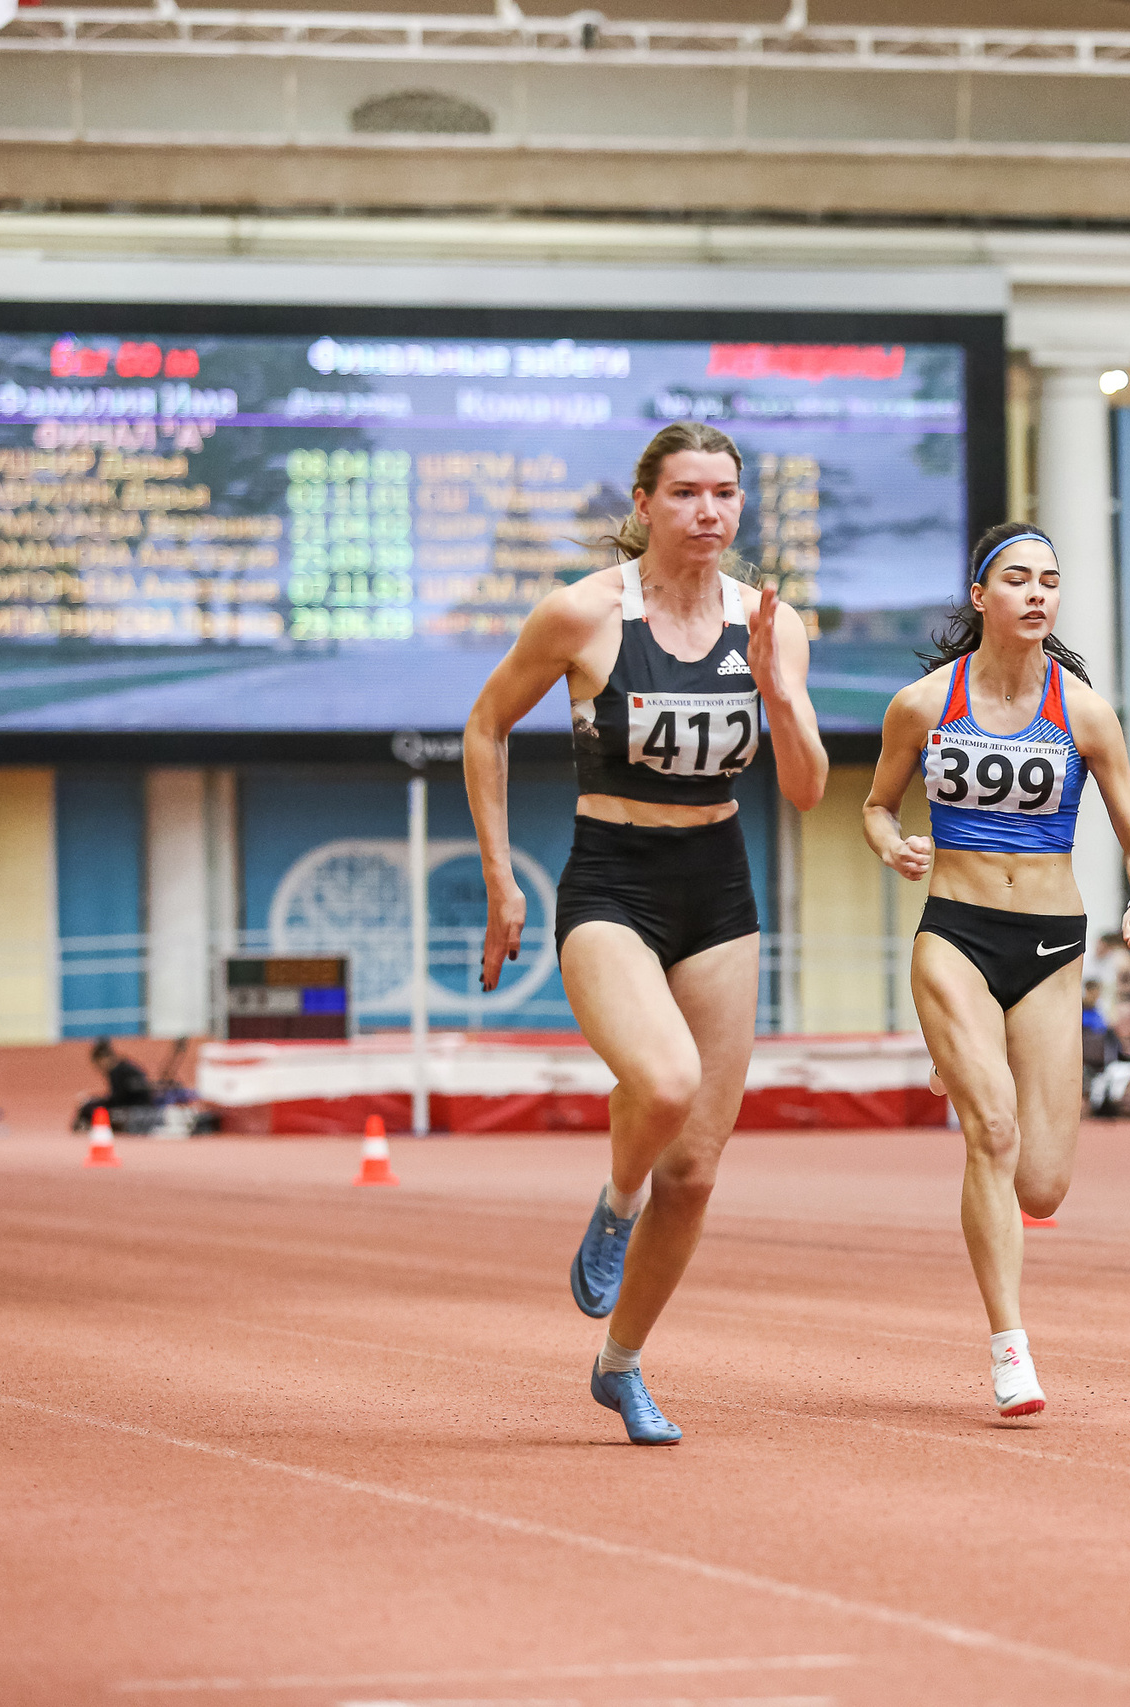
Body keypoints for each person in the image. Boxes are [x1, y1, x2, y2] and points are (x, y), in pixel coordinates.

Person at [465, 421, 827, 1445]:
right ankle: (615, 1201)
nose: (707, 513)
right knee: (663, 1085)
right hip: (610, 883)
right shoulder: (582, 615)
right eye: (684, 494)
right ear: (643, 505)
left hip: (717, 888)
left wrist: (781, 693)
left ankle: (619, 1365)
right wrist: (502, 880)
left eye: (723, 494)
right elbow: (486, 724)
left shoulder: (772, 623)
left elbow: (802, 793)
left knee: (701, 1168)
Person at [862, 521, 1130, 1420]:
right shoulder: (922, 704)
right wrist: (897, 846)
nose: (1038, 594)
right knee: (991, 1131)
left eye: (1051, 581)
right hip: (954, 931)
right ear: (980, 596)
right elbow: (876, 806)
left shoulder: (1083, 710)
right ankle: (1010, 1348)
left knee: (1042, 1183)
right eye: (1019, 579)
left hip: (1049, 944)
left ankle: (963, 1057)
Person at [74, 1038, 158, 1131]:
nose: (100, 1068)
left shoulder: (117, 1071)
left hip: (134, 1108)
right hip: (139, 1105)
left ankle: (88, 1124)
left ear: (103, 1058)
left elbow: (117, 1098)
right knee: (93, 1105)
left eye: (98, 1063)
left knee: (92, 1107)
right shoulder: (124, 1066)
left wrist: (95, 1101)